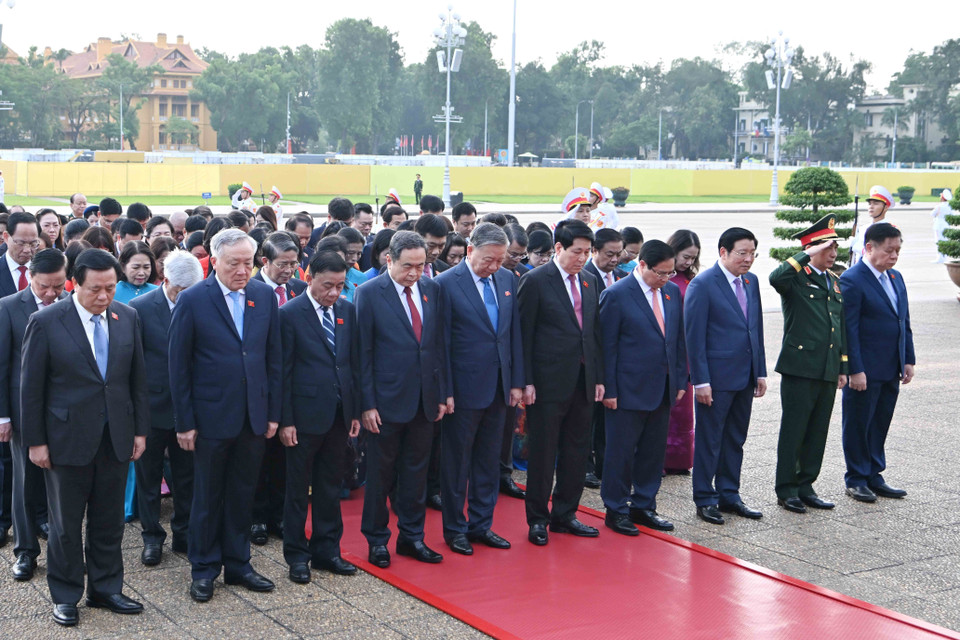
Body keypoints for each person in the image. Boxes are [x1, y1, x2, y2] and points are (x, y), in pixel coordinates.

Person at [21, 249, 149, 626]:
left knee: (109, 520)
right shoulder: (45, 321)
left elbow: (137, 380)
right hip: (65, 439)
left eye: (111, 288)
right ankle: (65, 594)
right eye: (96, 289)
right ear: (76, 283)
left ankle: (106, 588)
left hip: (116, 435)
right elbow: (31, 389)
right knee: (65, 525)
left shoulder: (128, 316)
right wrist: (36, 441)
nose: (105, 296)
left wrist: (140, 430)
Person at [168, 229, 282, 603]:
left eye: (248, 263)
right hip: (210, 419)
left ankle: (238, 563)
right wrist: (184, 421)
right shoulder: (194, 300)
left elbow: (272, 359)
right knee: (207, 496)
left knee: (242, 494)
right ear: (214, 261)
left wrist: (272, 413)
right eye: (233, 263)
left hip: (253, 415)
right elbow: (178, 367)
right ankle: (203, 568)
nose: (241, 270)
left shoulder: (264, 296)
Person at [355, 231, 448, 568]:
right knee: (380, 475)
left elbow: (438, 347)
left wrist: (441, 393)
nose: (414, 273)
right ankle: (377, 540)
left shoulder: (431, 289)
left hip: (424, 399)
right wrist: (366, 404)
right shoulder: (368, 293)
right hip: (385, 401)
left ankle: (412, 537)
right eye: (407, 266)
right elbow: (362, 354)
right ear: (389, 260)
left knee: (416, 473)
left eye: (421, 266)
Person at [437, 223, 523, 555]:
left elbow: (512, 334)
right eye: (489, 260)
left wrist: (517, 381)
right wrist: (445, 391)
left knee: (489, 460)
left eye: (500, 260)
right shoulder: (445, 284)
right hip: (462, 389)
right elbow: (440, 344)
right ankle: (455, 528)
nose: (495, 267)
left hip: (500, 389)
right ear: (470, 250)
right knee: (457, 463)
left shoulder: (506, 280)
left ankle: (481, 524)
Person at [518, 219, 604, 546]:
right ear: (558, 248)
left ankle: (566, 513)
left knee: (577, 451)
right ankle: (537, 518)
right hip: (546, 382)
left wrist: (598, 379)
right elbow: (524, 336)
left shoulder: (590, 281)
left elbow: (595, 334)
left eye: (587, 252)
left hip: (583, 380)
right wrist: (525, 381)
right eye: (577, 251)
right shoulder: (536, 281)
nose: (583, 258)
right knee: (543, 453)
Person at [280, 251, 361, 583]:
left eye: (340, 286)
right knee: (298, 489)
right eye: (328, 285)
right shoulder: (289, 314)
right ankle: (297, 555)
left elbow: (352, 364)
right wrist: (285, 420)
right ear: (309, 276)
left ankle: (328, 550)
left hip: (339, 415)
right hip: (302, 417)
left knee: (331, 485)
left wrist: (355, 410)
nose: (334, 293)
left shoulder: (347, 310)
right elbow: (281, 373)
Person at [600, 240, 687, 535]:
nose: (665, 279)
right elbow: (606, 347)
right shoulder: (616, 295)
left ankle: (644, 504)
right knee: (621, 452)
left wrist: (678, 379)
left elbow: (676, 340)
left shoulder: (672, 293)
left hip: (662, 387)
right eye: (660, 273)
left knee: (652, 452)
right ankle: (616, 508)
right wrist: (609, 389)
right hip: (627, 389)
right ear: (642, 266)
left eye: (670, 273)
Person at [685, 227, 766, 526]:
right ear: (723, 252)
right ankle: (705, 498)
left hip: (744, 375)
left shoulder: (751, 281)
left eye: (752, 254)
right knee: (710, 439)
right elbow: (694, 337)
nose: (748, 260)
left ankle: (729, 494)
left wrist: (760, 371)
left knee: (735, 437)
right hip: (715, 379)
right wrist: (700, 381)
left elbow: (753, 328)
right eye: (741, 253)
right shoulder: (703, 284)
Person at [770, 215, 848, 513]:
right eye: (828, 247)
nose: (833, 253)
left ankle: (806, 485)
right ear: (812, 249)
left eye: (834, 247)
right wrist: (805, 255)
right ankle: (786, 488)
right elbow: (776, 278)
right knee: (795, 429)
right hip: (799, 367)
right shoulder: (796, 279)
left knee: (817, 430)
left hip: (827, 367)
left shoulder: (834, 282)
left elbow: (838, 327)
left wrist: (842, 366)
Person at [130, 251, 203, 566]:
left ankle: (184, 532)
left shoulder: (201, 304)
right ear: (166, 278)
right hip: (151, 407)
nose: (185, 295)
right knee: (148, 477)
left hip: (188, 408)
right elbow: (131, 363)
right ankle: (151, 537)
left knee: (187, 476)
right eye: (180, 289)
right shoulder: (140, 308)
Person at [0, 249, 68, 581]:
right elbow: (1, 367)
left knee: (62, 483)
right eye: (45, 287)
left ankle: (60, 545)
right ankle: (25, 551)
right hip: (24, 411)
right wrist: (2, 416)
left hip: (65, 412)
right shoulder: (9, 307)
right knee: (24, 482)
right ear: (31, 279)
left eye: (59, 286)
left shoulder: (72, 304)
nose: (52, 294)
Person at [840, 222, 915, 503]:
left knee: (880, 422)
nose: (894, 256)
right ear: (869, 247)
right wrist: (855, 369)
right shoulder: (852, 279)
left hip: (891, 366)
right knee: (859, 423)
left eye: (897, 250)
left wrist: (908, 358)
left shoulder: (895, 277)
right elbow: (850, 329)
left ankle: (874, 473)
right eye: (888, 250)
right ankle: (856, 478)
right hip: (865, 370)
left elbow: (903, 321)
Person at [248, 233, 307, 545]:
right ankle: (256, 517)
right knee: (259, 457)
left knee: (287, 456)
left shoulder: (299, 289)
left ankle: (280, 516)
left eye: (294, 264)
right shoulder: (251, 291)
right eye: (282, 264)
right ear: (264, 261)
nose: (289, 270)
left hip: (293, 386)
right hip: (260, 386)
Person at [582, 228, 627, 488]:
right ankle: (586, 465)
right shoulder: (584, 277)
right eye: (609, 254)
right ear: (595, 251)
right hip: (591, 358)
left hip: (617, 359)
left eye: (618, 254)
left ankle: (604, 464)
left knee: (607, 417)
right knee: (589, 417)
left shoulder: (622, 277)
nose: (614, 259)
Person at [664, 230, 701, 474]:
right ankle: (662, 458)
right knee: (667, 408)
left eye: (693, 258)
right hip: (668, 349)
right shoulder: (664, 279)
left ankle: (681, 459)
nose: (688, 262)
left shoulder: (692, 280)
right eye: (685, 256)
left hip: (688, 351)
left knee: (684, 408)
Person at [849, 186, 894, 265]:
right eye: (870, 203)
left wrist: (859, 248)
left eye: (876, 203)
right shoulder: (863, 228)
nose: (871, 206)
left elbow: (881, 255)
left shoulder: (890, 230)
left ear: (885, 207)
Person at [414, 213, 451, 279]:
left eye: (441, 246)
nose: (436, 252)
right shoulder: (403, 270)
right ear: (417, 238)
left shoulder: (445, 270)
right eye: (431, 245)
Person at [932, 189, 953, 263]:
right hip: (946, 225)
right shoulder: (950, 206)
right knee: (945, 241)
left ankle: (940, 258)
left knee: (939, 241)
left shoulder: (939, 206)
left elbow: (932, 214)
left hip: (939, 225)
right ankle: (945, 257)